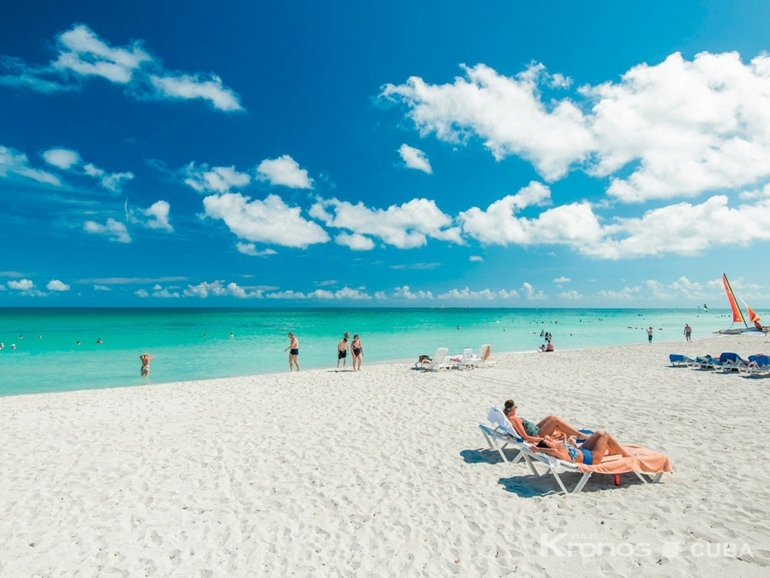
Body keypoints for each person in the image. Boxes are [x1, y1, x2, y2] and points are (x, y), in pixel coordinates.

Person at [503, 400, 585, 443]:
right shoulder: (514, 420)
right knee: (555, 420)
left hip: (534, 429)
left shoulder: (508, 417)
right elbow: (526, 437)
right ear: (513, 409)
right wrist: (543, 440)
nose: (517, 409)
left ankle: (572, 434)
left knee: (551, 417)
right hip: (537, 435)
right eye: (516, 407)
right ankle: (579, 434)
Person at [530, 431, 629, 465]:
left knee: (599, 433)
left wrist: (569, 440)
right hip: (592, 458)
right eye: (550, 442)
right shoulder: (558, 453)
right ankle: (624, 453)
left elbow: (549, 439)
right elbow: (551, 450)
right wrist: (538, 449)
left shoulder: (558, 448)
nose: (551, 441)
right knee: (605, 436)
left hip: (582, 450)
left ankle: (612, 450)